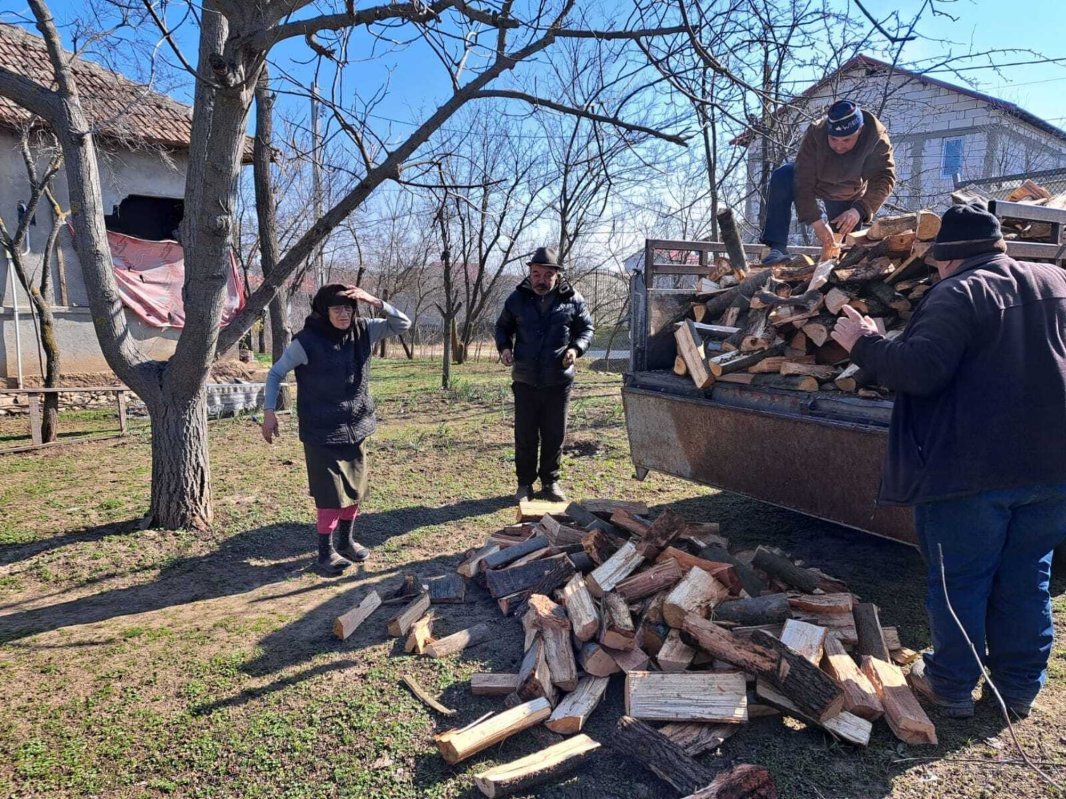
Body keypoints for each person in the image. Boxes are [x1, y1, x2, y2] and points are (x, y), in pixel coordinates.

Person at [831, 202, 1066, 719]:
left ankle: (951, 687)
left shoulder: (958, 292)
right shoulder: (1055, 279)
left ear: (948, 258)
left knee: (960, 580)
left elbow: (919, 371)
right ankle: (1018, 689)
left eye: (936, 262)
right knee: (1028, 578)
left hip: (970, 470)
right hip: (1053, 468)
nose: (935, 269)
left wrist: (865, 343)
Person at [261, 284, 411, 576]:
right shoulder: (307, 342)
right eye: (337, 309)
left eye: (349, 308)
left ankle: (346, 541)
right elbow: (276, 372)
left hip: (357, 425)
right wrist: (269, 411)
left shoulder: (365, 329)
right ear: (324, 310)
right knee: (329, 494)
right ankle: (325, 552)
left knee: (354, 490)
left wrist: (372, 299)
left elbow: (402, 323)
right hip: (321, 430)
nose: (344, 314)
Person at [494, 247, 594, 504]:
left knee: (554, 434)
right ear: (530, 273)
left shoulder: (573, 299)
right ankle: (524, 484)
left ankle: (550, 482)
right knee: (525, 435)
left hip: (558, 381)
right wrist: (504, 348)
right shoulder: (516, 299)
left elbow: (586, 330)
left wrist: (575, 348)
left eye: (547, 275)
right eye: (536, 274)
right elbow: (502, 328)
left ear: (557, 276)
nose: (541, 280)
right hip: (525, 379)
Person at [761, 99, 896, 265]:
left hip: (848, 192)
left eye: (846, 140)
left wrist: (859, 210)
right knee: (783, 175)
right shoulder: (816, 132)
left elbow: (884, 178)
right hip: (818, 181)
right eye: (834, 139)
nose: (839, 146)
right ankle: (777, 247)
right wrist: (816, 222)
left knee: (843, 254)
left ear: (860, 131)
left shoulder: (876, 137)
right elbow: (803, 179)